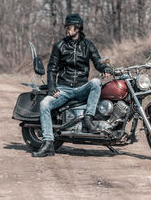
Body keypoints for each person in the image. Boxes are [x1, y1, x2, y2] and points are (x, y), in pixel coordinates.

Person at [32, 13, 112, 157]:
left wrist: (105, 69)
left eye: (69, 27)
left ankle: (88, 118)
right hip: (64, 88)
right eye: (66, 27)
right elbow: (52, 68)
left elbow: (97, 61)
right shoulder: (59, 46)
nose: (66, 30)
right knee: (44, 104)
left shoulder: (88, 45)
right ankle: (48, 143)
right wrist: (52, 88)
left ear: (77, 28)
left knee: (95, 82)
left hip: (81, 87)